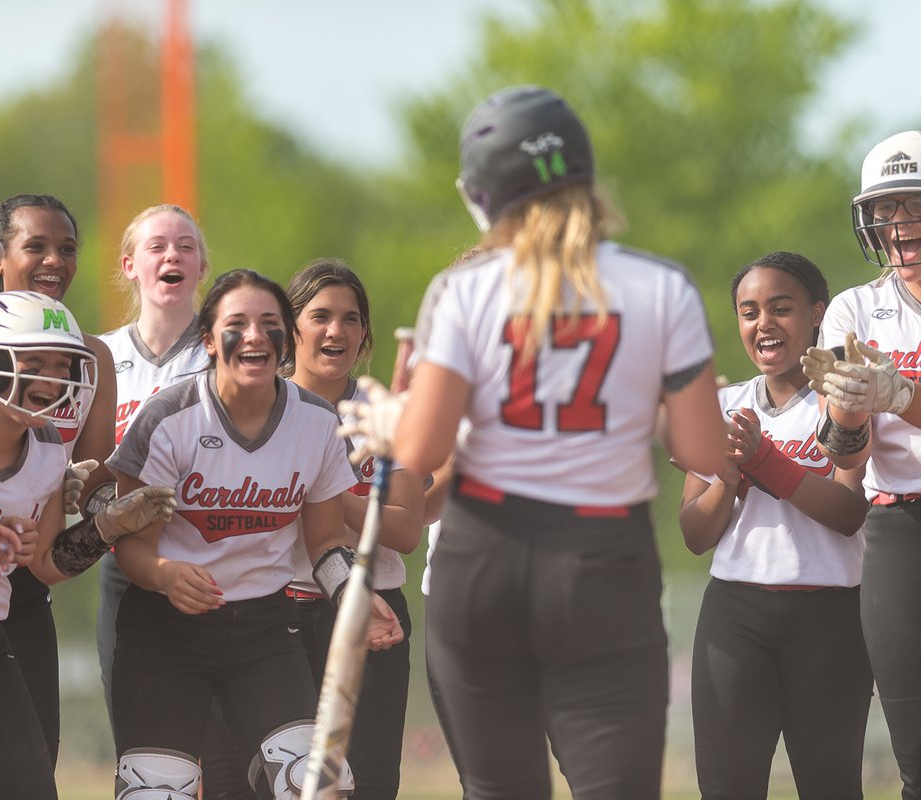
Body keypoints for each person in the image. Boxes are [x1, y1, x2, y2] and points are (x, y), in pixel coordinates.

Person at [344, 86, 727, 799]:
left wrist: (393, 420)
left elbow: (421, 450)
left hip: (483, 556)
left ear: (484, 194)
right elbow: (705, 452)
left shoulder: (464, 290)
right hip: (604, 558)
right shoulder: (661, 286)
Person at [105, 269, 404, 800]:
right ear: (207, 340)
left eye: (270, 324)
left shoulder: (314, 421)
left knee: (320, 787)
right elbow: (130, 544)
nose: (254, 337)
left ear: (286, 339)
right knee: (159, 792)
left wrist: (350, 593)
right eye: (236, 324)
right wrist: (165, 573)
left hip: (264, 631)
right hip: (164, 630)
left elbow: (326, 540)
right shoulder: (170, 418)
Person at [0, 288, 174, 800]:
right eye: (36, 362)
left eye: (61, 365)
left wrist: (108, 527)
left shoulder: (49, 448)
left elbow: (46, 562)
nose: (51, 379)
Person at [678, 251, 872, 799]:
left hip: (830, 618)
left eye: (780, 308)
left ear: (818, 314)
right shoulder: (724, 405)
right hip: (735, 616)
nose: (763, 322)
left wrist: (765, 464)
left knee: (830, 786)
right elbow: (695, 534)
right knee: (727, 787)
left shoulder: (848, 402)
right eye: (748, 311)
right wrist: (730, 477)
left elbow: (848, 512)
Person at [800, 129, 921, 799]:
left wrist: (900, 393)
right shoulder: (854, 308)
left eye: (910, 203)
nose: (896, 222)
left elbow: (904, 401)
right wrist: (848, 410)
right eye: (886, 208)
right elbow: (845, 454)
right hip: (901, 525)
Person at [0, 193, 118, 765]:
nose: (54, 261)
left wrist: (107, 506)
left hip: (24, 582)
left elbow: (84, 481)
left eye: (66, 248)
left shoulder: (91, 359)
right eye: (35, 246)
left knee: (34, 763)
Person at [282, 258, 426, 800]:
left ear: (365, 333)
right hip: (278, 614)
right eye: (319, 316)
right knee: (281, 781)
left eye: (349, 319)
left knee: (367, 784)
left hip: (377, 614)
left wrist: (327, 493)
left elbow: (407, 529)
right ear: (290, 328)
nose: (334, 331)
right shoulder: (260, 408)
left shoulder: (388, 414)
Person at [95, 203, 211, 738]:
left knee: (222, 754)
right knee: (142, 747)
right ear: (129, 266)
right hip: (125, 562)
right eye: (157, 246)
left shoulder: (226, 355)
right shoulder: (99, 357)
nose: (173, 255)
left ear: (201, 267)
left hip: (212, 558)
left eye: (186, 246)